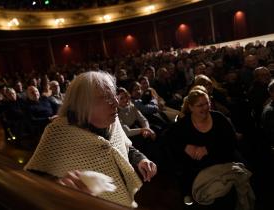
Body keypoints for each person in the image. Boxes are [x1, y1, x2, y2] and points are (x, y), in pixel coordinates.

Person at [24, 71, 157, 208]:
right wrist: (60, 186)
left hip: (122, 201)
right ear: (83, 104)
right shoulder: (59, 132)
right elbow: (33, 183)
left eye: (114, 94)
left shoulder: (113, 121)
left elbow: (125, 147)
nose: (116, 102)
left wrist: (140, 159)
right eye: (106, 97)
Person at [168, 87, 253, 209]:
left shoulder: (218, 118)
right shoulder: (184, 124)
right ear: (191, 107)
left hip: (221, 160)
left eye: (207, 103)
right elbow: (168, 139)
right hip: (196, 167)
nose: (205, 107)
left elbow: (232, 141)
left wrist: (208, 149)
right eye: (200, 105)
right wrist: (185, 146)